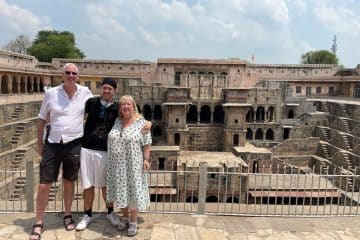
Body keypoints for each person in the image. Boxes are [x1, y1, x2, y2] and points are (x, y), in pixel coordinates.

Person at [75, 78, 151, 230]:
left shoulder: (118, 108)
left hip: (107, 152)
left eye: (110, 88)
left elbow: (138, 120)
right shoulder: (92, 103)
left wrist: (149, 123)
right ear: (101, 89)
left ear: (115, 90)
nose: (107, 91)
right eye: (104, 88)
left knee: (106, 185)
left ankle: (111, 213)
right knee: (88, 184)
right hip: (89, 148)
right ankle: (87, 214)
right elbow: (77, 118)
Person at [30, 63, 93, 240]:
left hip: (74, 143)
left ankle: (67, 215)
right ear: (62, 75)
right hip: (53, 142)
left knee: (69, 181)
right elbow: (42, 119)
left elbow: (98, 110)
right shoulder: (51, 93)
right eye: (68, 73)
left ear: (78, 76)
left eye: (74, 73)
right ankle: (38, 221)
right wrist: (39, 144)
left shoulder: (86, 93)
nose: (71, 75)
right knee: (44, 184)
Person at [106, 95, 152, 237]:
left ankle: (133, 221)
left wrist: (146, 159)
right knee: (121, 190)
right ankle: (125, 217)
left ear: (133, 107)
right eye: (123, 104)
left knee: (132, 190)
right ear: (119, 108)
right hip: (116, 165)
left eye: (128, 104)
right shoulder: (117, 121)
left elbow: (147, 142)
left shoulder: (142, 123)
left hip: (133, 164)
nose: (125, 107)